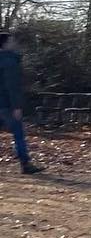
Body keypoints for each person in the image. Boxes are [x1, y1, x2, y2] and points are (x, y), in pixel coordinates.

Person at [0, 30, 40, 176]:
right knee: (18, 133)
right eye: (11, 41)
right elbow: (12, 86)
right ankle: (25, 164)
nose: (14, 43)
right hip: (7, 104)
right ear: (4, 45)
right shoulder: (9, 61)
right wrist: (16, 106)